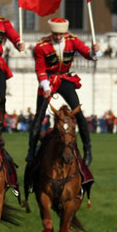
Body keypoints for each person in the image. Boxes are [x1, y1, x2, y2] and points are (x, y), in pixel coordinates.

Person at [26, 17, 101, 166]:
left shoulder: (72, 40)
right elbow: (40, 69)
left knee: (78, 113)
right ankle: (31, 151)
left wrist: (94, 52)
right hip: (48, 80)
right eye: (55, 35)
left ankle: (88, 149)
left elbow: (88, 54)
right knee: (39, 116)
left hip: (65, 80)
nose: (58, 37)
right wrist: (46, 88)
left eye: (61, 34)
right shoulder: (42, 46)